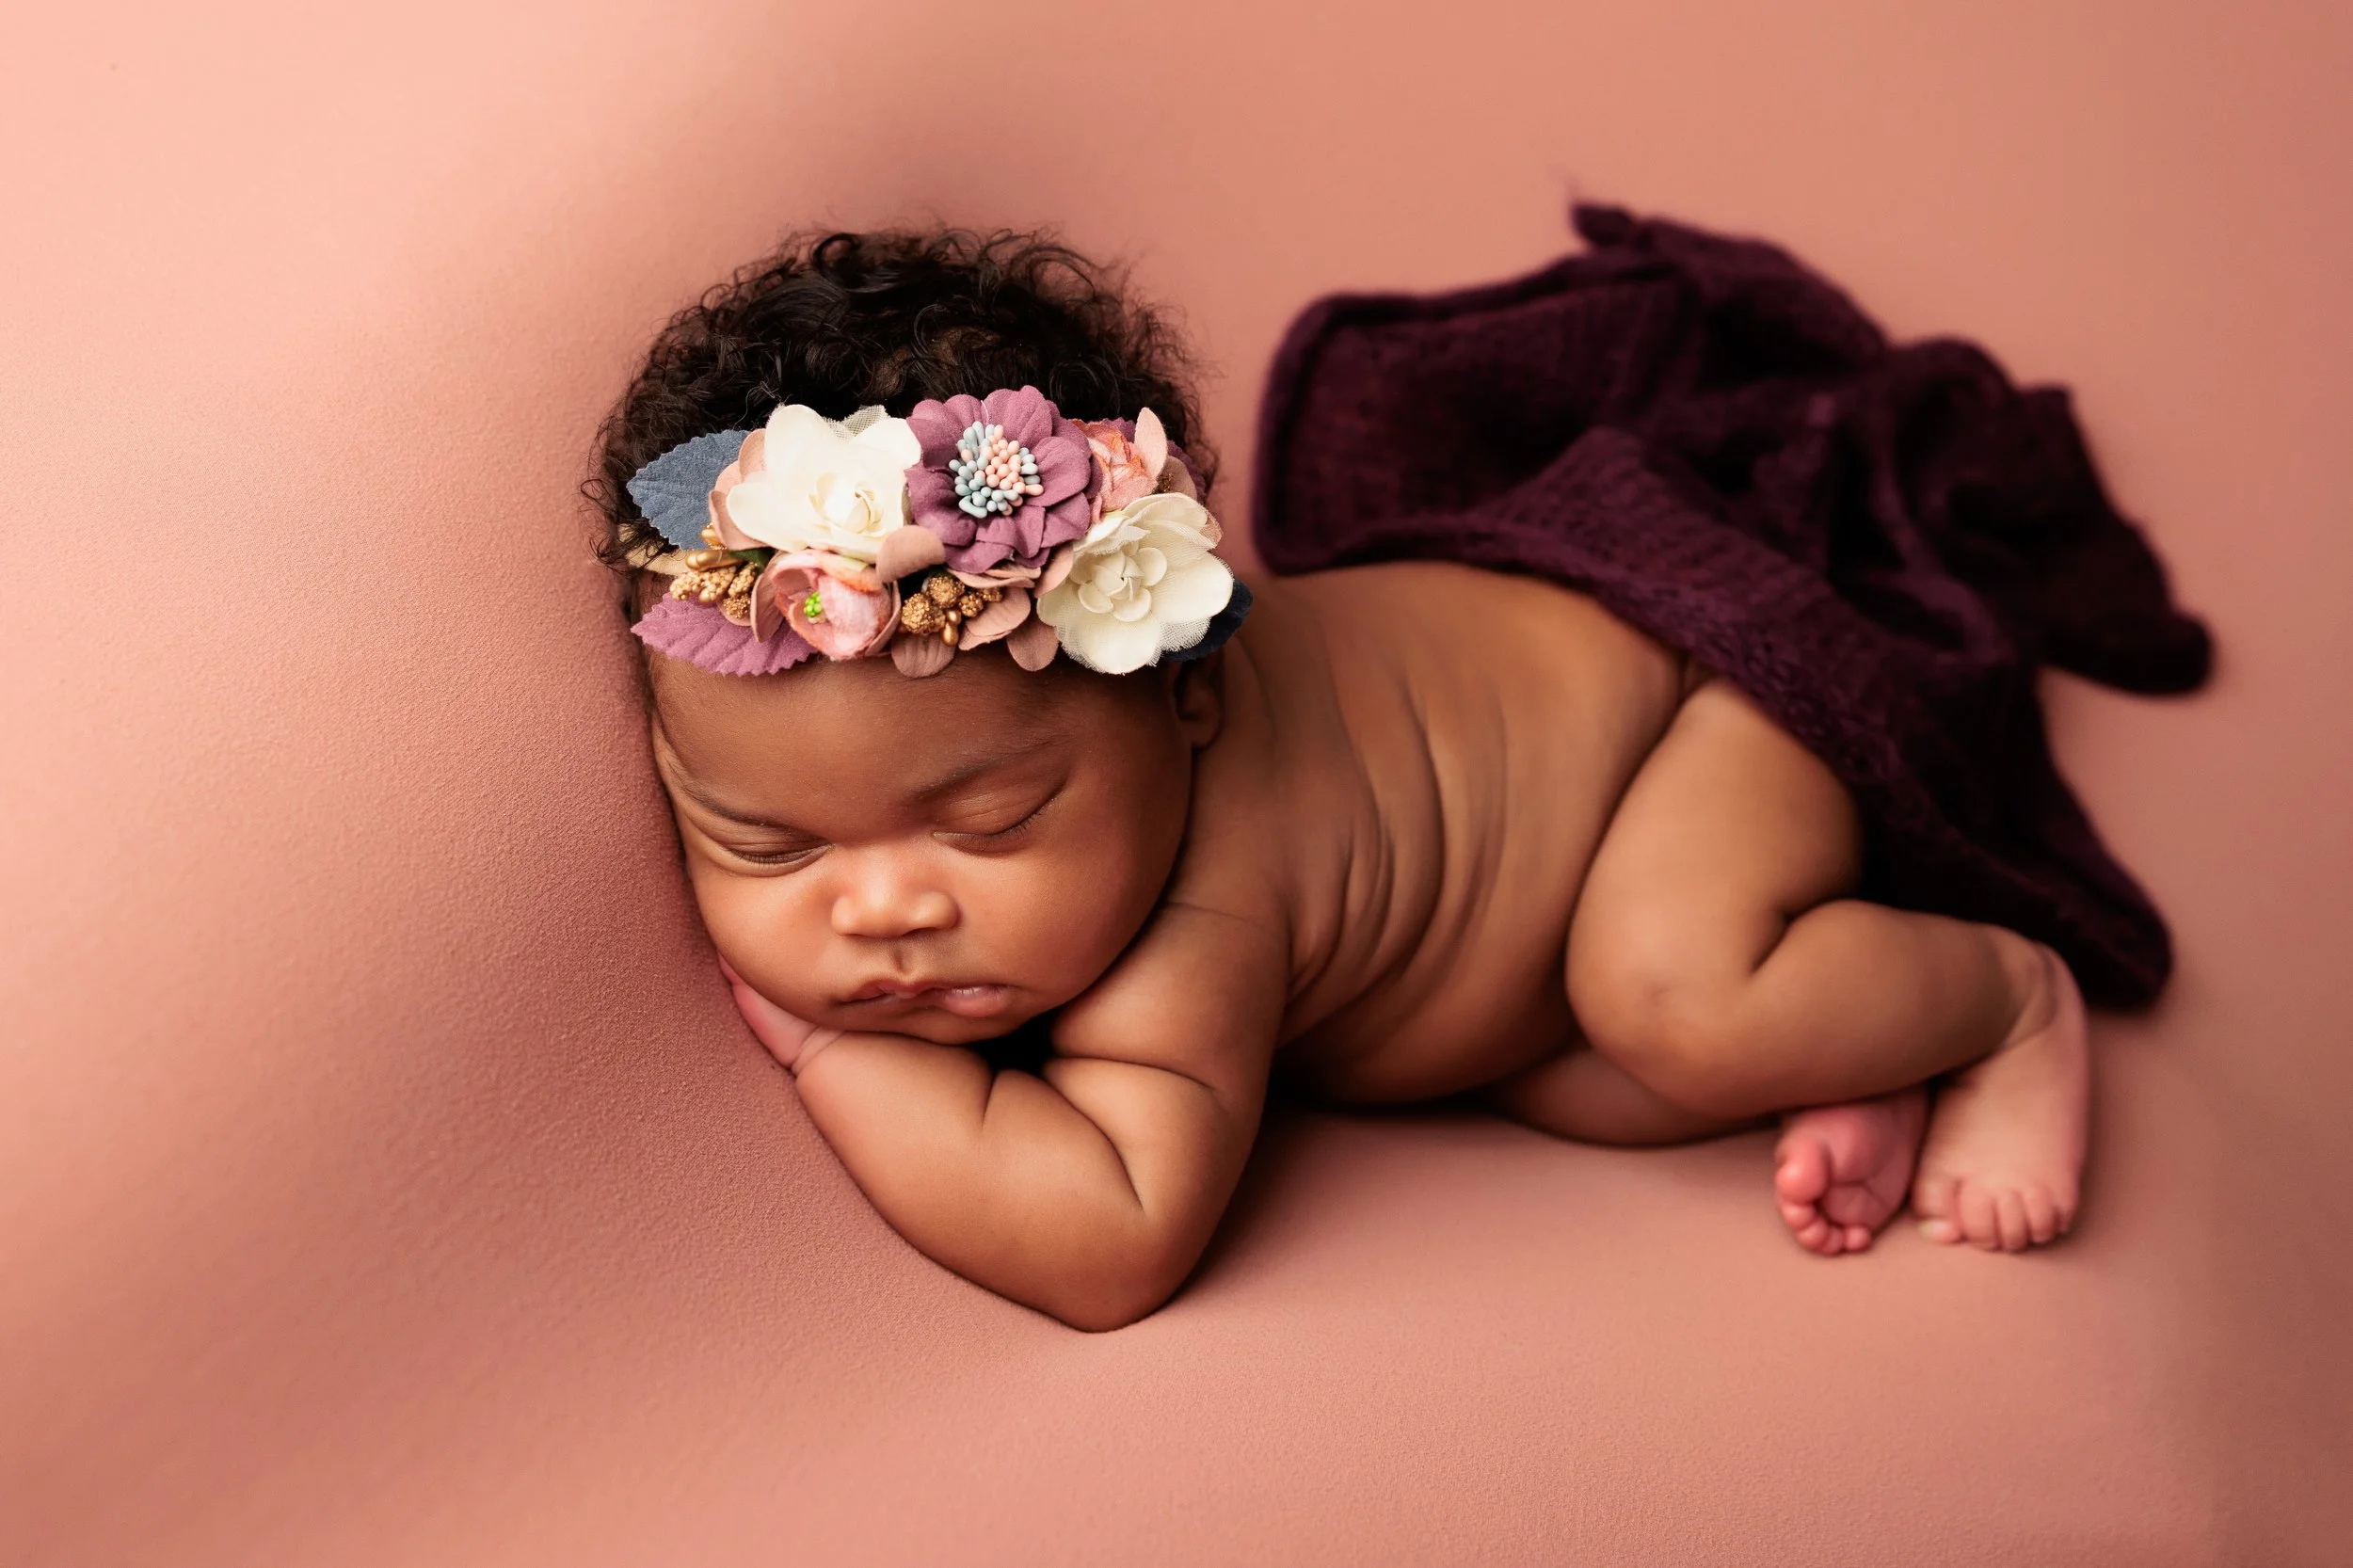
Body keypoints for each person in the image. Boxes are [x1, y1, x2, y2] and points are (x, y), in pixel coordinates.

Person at [592, 229, 2090, 1332]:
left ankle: (2003, 1002)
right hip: (1527, 904)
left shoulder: (1198, 909)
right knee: (1576, 1077)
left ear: (1186, 694)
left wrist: (837, 1059)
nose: (884, 907)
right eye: (769, 843)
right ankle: (1843, 1042)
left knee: (1670, 997)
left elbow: (1114, 1240)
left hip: (1691, 718)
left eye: (989, 824)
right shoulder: (1019, 769)